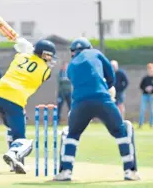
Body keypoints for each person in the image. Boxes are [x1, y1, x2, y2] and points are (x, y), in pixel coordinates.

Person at [53, 37, 140, 181]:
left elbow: (78, 82)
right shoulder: (96, 53)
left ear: (73, 52)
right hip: (102, 99)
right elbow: (110, 74)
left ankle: (65, 172)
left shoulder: (71, 66)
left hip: (80, 103)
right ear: (89, 47)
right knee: (122, 130)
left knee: (71, 134)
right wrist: (107, 87)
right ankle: (129, 171)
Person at [0, 38, 57, 174]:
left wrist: (28, 52)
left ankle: (16, 164)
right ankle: (14, 154)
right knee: (23, 141)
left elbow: (23, 59)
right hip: (14, 100)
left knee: (11, 127)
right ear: (44, 54)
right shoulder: (46, 71)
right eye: (49, 55)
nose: (50, 58)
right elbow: (41, 70)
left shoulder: (20, 56)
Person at [139, 63, 153, 128]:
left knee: (152, 110)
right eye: (149, 68)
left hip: (152, 95)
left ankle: (151, 124)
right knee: (142, 110)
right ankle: (140, 124)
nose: (150, 70)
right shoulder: (145, 78)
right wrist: (145, 88)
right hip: (145, 95)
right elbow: (141, 86)